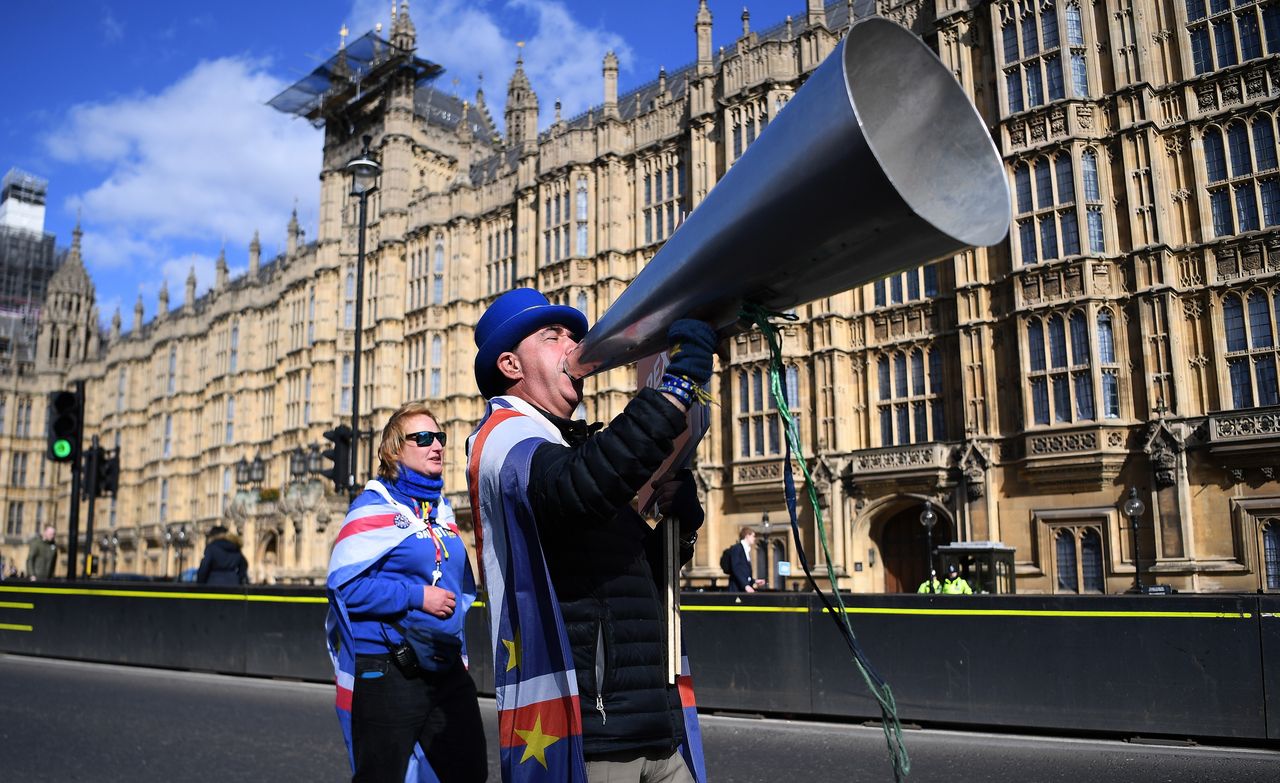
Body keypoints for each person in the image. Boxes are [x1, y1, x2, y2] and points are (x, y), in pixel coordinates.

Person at [466, 288, 711, 782]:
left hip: (653, 725)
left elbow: (629, 577)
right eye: (553, 336)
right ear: (511, 364)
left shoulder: (566, 446)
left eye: (575, 334)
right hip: (594, 734)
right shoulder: (503, 439)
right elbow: (581, 484)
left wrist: (676, 527)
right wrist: (677, 389)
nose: (574, 345)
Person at [326, 402, 486, 783]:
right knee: (382, 775)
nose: (437, 446)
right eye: (424, 438)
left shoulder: (440, 511)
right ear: (394, 450)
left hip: (444, 667)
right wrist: (416, 596)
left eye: (441, 438)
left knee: (468, 771)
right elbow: (346, 588)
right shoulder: (372, 509)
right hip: (388, 668)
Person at [726, 527, 765, 593]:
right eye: (753, 536)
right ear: (747, 536)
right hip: (736, 590)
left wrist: (754, 581)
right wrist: (745, 585)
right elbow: (735, 569)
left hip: (743, 590)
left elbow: (744, 573)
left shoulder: (745, 550)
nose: (754, 538)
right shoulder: (737, 548)